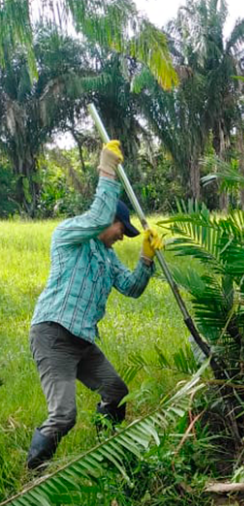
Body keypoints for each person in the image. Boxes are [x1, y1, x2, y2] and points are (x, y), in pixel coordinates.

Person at [26, 140, 164, 470]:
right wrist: (106, 169)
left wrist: (146, 258)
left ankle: (106, 455)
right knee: (63, 416)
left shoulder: (108, 257)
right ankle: (35, 474)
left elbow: (131, 289)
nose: (122, 236)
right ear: (109, 220)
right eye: (121, 228)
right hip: (54, 334)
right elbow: (96, 215)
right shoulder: (70, 235)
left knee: (116, 391)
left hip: (83, 341)